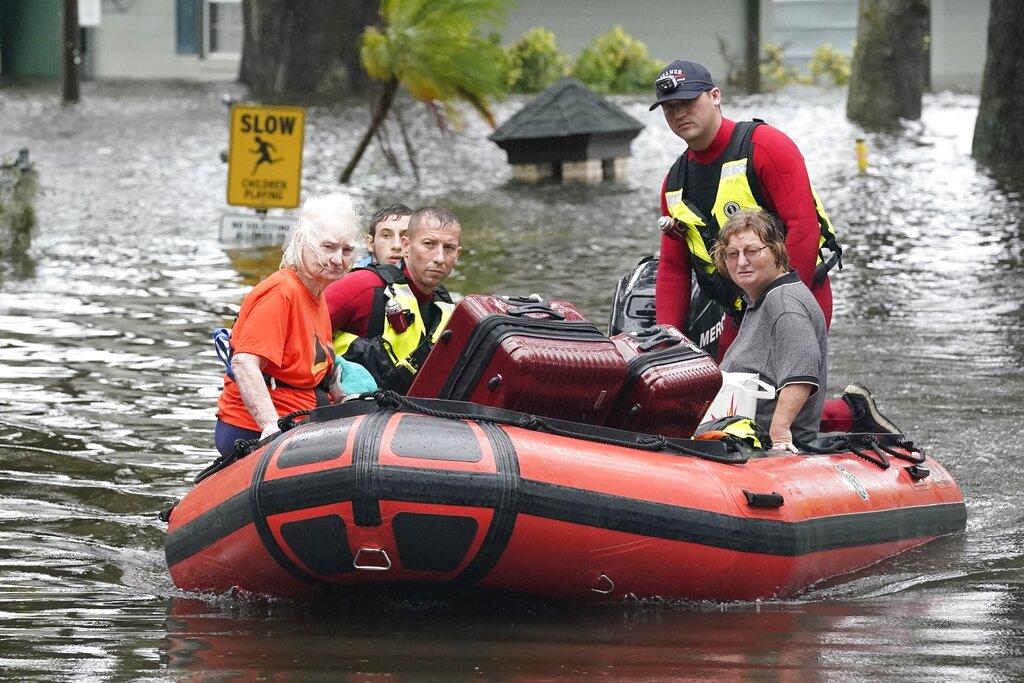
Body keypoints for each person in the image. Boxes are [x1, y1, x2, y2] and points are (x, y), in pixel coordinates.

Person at [650, 59, 841, 360]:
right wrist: (666, 343)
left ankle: (850, 408)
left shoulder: (766, 146)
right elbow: (673, 269)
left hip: (799, 298)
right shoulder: (674, 184)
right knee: (730, 402)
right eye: (669, 107)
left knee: (788, 402)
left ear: (715, 96)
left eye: (688, 101)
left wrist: (784, 308)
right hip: (738, 312)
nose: (679, 113)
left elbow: (803, 228)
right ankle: (854, 408)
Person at [214, 193, 360, 457]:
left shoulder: (317, 292)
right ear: (300, 241)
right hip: (253, 431)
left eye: (347, 250)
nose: (339, 259)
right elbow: (244, 364)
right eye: (328, 247)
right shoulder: (281, 292)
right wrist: (271, 427)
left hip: (303, 420)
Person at [714, 210, 827, 451]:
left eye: (752, 251)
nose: (742, 262)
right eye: (732, 254)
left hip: (762, 445)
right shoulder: (764, 298)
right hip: (738, 433)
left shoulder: (784, 305)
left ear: (776, 251)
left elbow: (802, 371)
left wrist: (781, 434)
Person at [325, 206, 461, 394]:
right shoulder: (364, 286)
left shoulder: (447, 311)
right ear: (406, 246)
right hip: (346, 413)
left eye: (449, 248)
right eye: (429, 244)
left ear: (458, 255)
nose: (439, 258)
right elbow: (297, 330)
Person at [354, 203, 413, 268]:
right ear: (370, 243)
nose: (397, 246)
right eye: (386, 235)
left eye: (406, 236)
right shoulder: (355, 276)